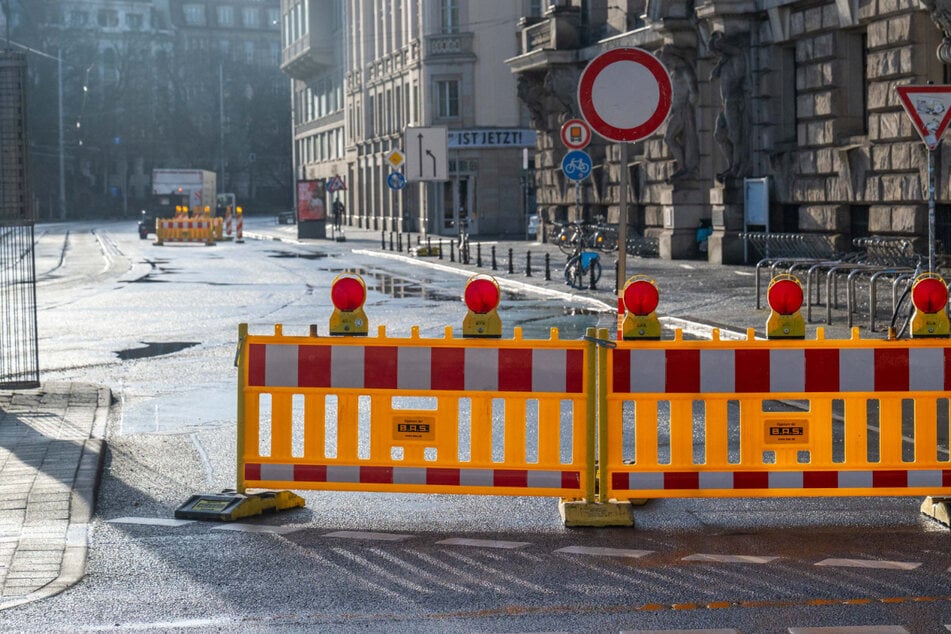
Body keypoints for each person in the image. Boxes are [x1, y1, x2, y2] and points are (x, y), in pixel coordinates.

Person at [709, 31, 751, 182]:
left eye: (719, 50)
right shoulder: (725, 62)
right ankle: (732, 164)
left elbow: (739, 78)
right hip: (725, 103)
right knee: (719, 135)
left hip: (733, 101)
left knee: (735, 135)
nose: (718, 54)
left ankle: (737, 166)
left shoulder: (738, 57)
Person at [658, 45, 699, 181]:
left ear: (674, 59)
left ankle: (683, 166)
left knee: (669, 138)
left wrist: (686, 107)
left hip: (682, 111)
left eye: (668, 62)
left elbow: (694, 93)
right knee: (671, 138)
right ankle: (682, 166)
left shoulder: (685, 71)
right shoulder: (673, 73)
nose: (667, 66)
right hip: (676, 111)